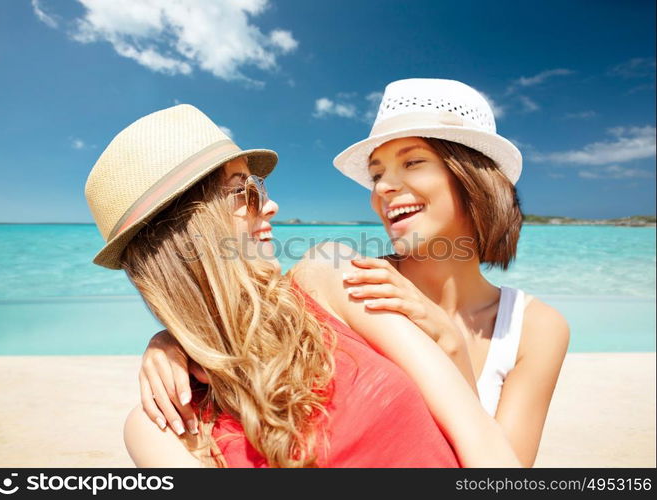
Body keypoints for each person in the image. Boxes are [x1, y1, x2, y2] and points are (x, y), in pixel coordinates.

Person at [140, 79, 569, 467]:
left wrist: (450, 344)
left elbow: (503, 464)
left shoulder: (534, 327)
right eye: (377, 173)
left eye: (413, 162)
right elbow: (251, 312)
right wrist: (171, 342)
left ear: (471, 176)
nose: (382, 187)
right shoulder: (351, 280)